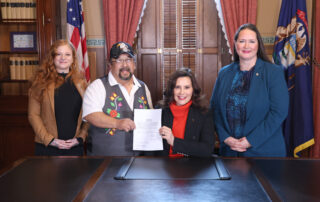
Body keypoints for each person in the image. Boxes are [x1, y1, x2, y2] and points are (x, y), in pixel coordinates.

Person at [210, 23, 289, 157]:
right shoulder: (224, 73)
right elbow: (214, 109)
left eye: (251, 41)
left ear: (258, 45)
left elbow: (278, 112)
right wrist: (225, 138)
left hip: (264, 153)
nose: (246, 46)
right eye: (242, 41)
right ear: (235, 44)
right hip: (229, 152)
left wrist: (250, 141)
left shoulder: (273, 73)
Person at [82, 41, 153, 156]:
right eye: (119, 60)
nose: (125, 65)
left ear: (134, 64)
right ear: (110, 64)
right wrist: (117, 123)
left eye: (128, 59)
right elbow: (91, 115)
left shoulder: (143, 87)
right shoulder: (97, 86)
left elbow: (150, 117)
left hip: (139, 161)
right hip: (104, 162)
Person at [28, 39, 89, 156]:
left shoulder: (82, 83)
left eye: (67, 54)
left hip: (75, 148)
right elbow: (33, 115)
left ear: (73, 58)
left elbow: (88, 114)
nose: (63, 58)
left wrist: (80, 138)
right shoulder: (39, 82)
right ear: (52, 57)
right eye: (58, 54)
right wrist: (50, 140)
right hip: (47, 147)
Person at [157, 68, 215, 157]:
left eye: (187, 87)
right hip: (163, 165)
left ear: (193, 90)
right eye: (177, 87)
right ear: (172, 90)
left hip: (192, 166)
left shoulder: (204, 113)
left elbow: (207, 149)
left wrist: (174, 142)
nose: (182, 92)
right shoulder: (160, 110)